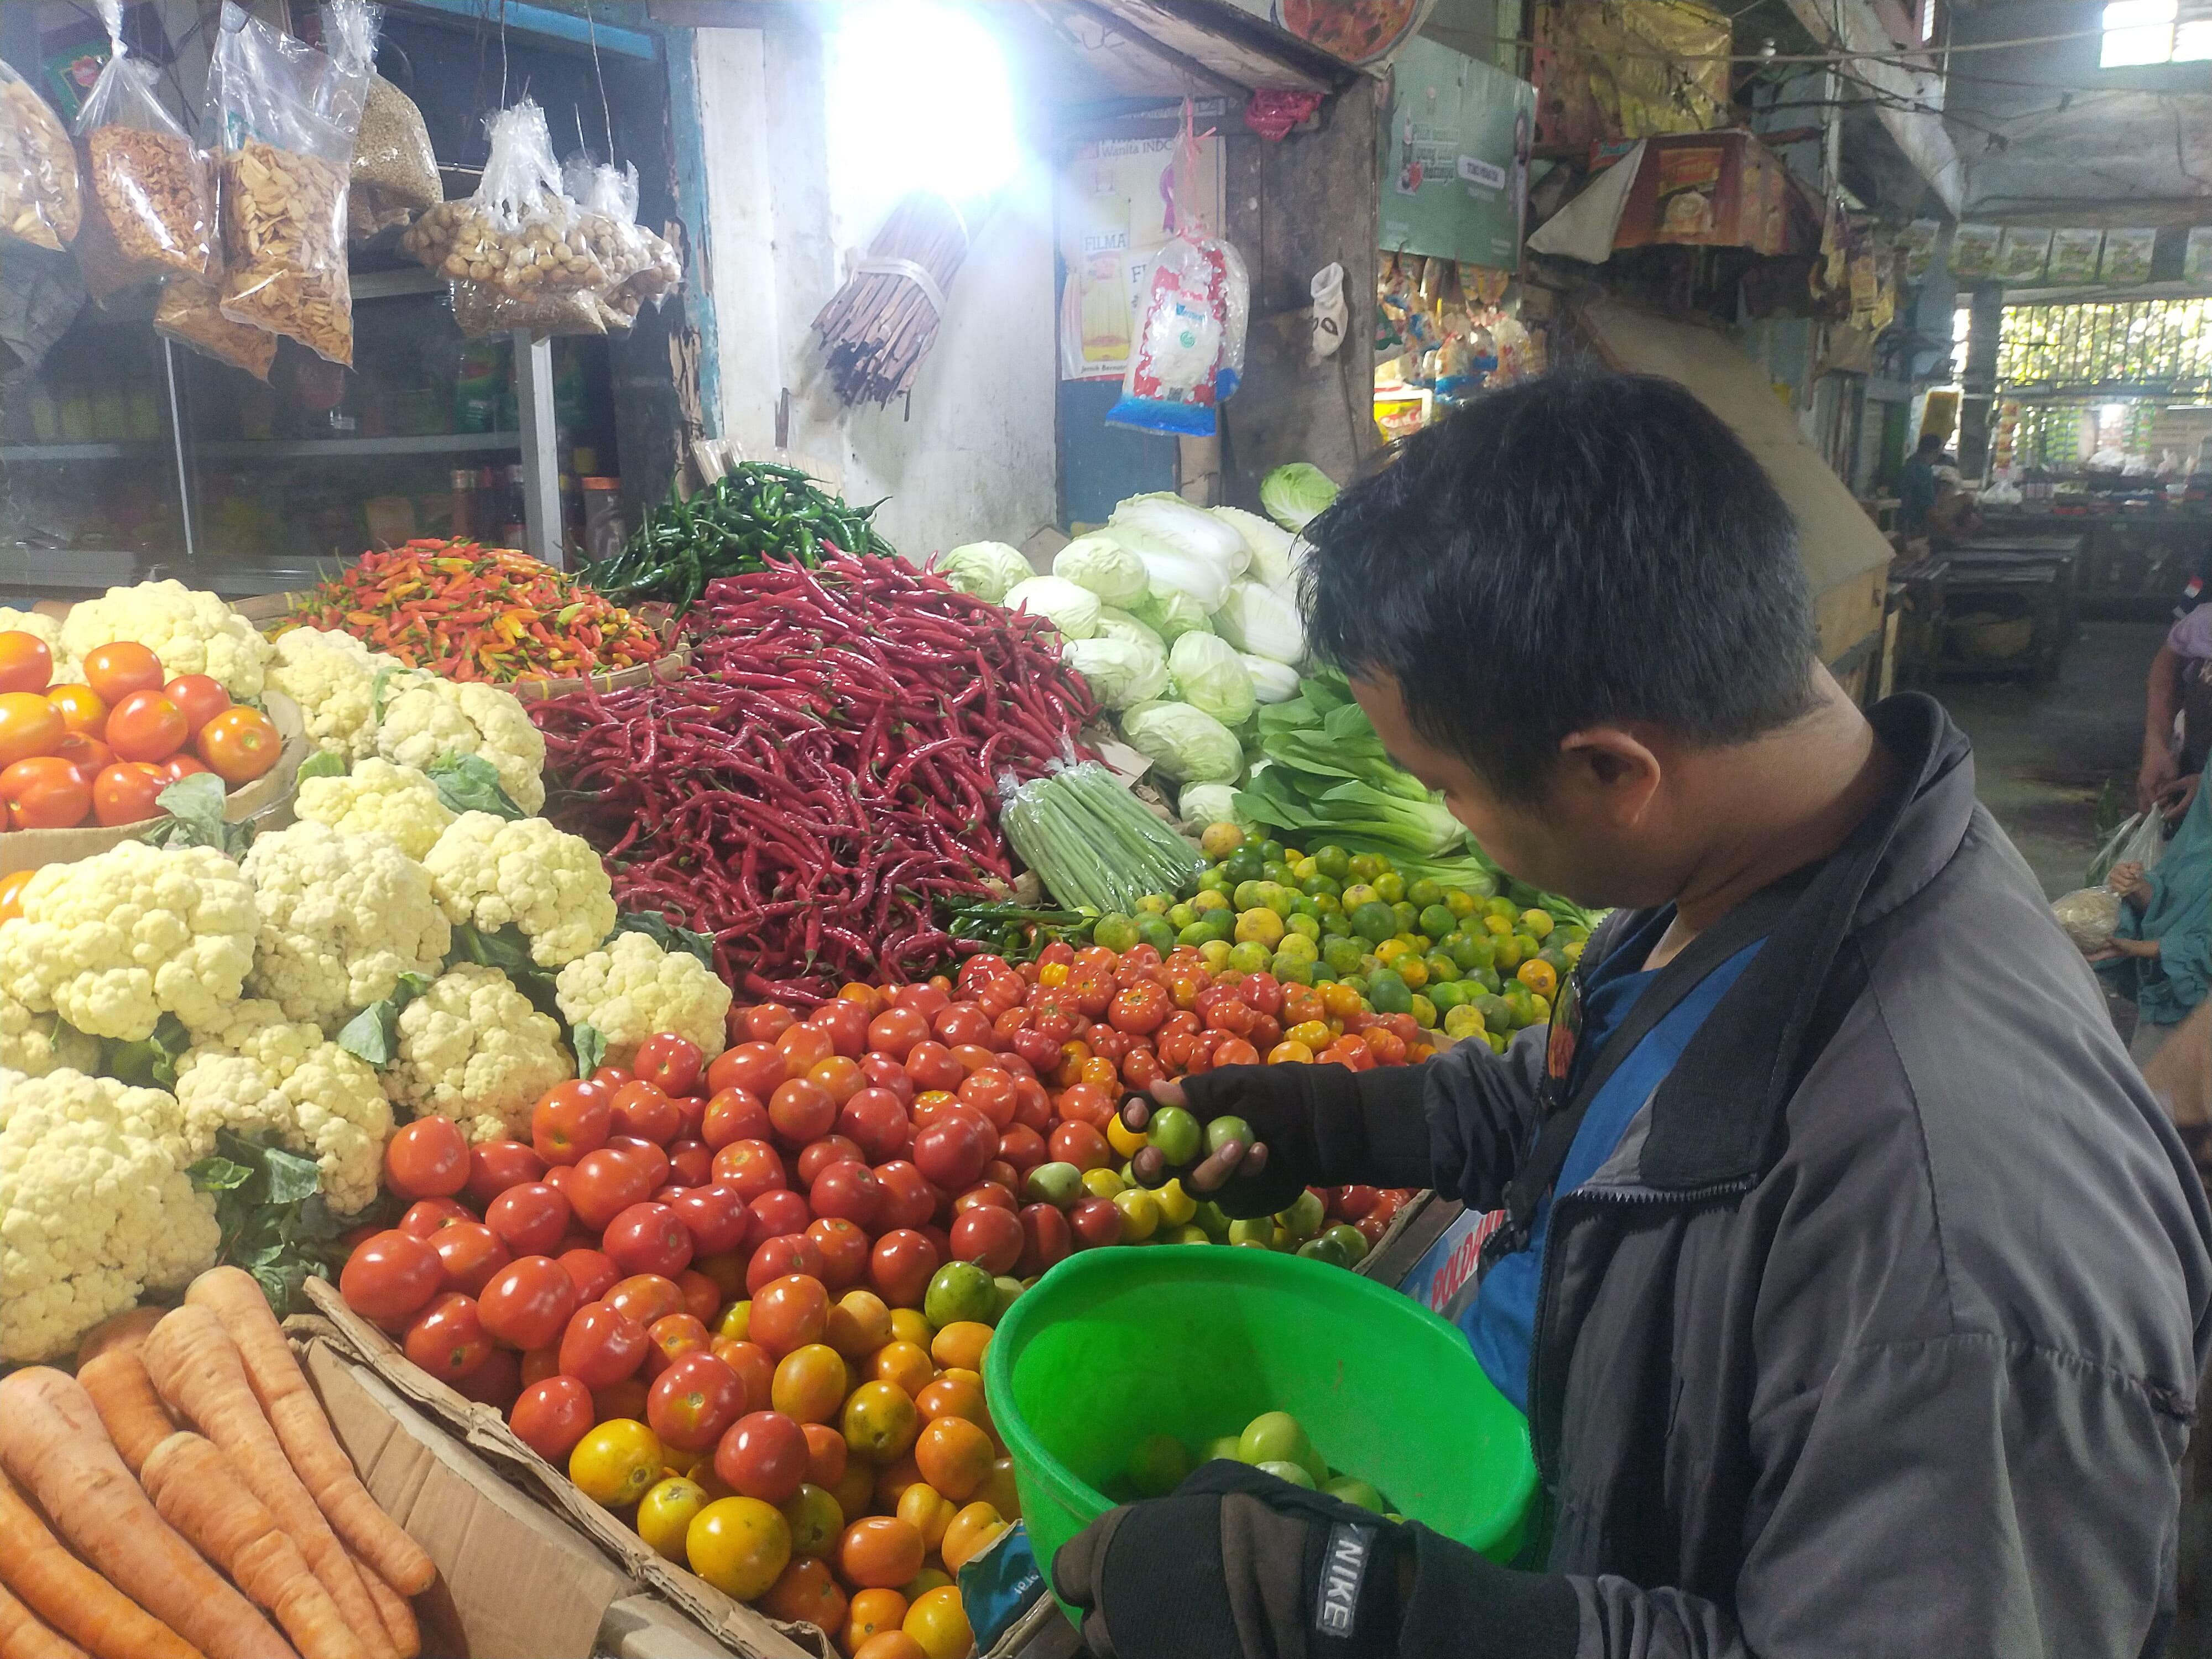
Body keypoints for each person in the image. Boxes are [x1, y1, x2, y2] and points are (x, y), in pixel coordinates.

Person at [1055, 374, 2212, 1659]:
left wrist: (1396, 1620)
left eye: (1445, 787)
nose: (1451, 821)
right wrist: (1345, 1117)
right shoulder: (1766, 860)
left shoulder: (1956, 1250)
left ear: (1613, 770)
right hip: (1553, 1461)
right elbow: (1611, 1104)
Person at [1926, 461, 1985, 549]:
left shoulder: (1964, 501)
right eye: (1942, 486)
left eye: (1947, 486)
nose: (1944, 489)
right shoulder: (1934, 508)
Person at [1897, 429, 1946, 534]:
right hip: (1917, 519)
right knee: (1966, 498)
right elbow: (1930, 511)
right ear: (1936, 451)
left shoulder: (1911, 462)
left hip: (1909, 516)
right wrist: (1951, 531)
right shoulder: (1922, 470)